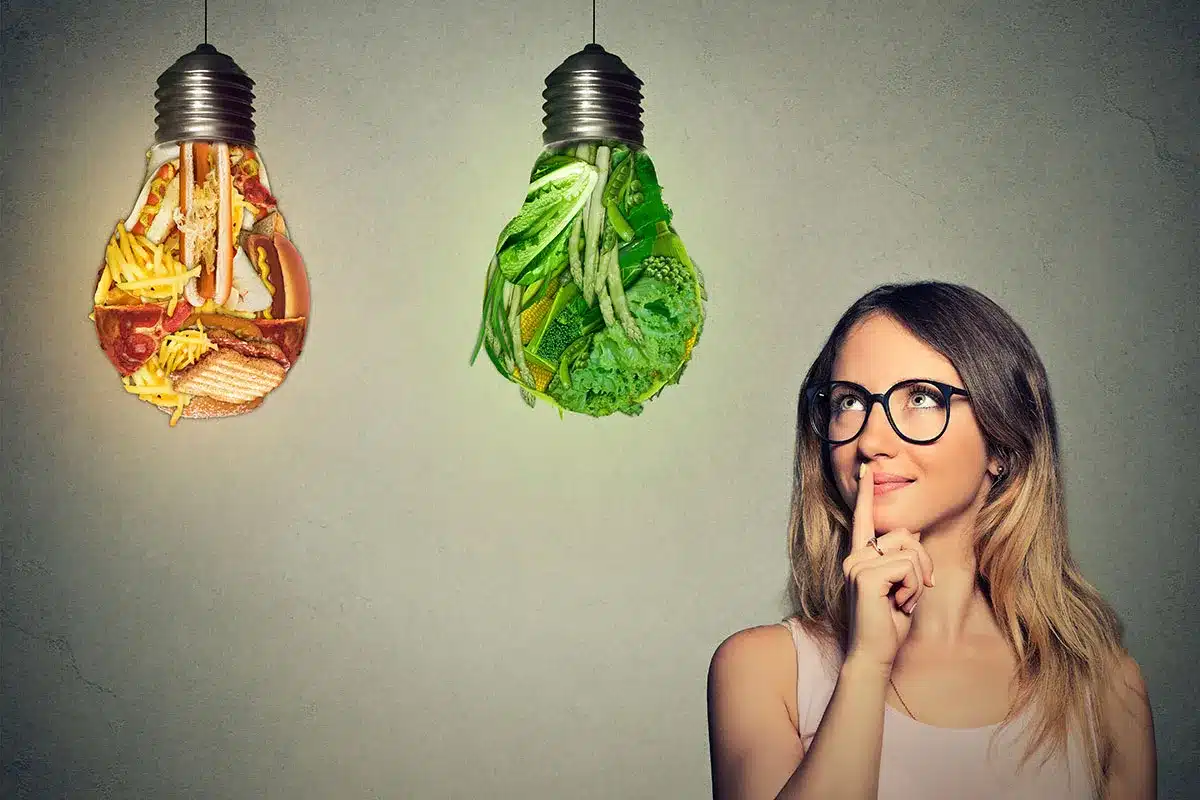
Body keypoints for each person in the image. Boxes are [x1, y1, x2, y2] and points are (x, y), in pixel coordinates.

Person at [706, 282, 1157, 799]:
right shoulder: (764, 672)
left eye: (921, 398)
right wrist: (867, 665)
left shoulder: (1104, 688)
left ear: (1002, 443)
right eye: (849, 402)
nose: (871, 441)